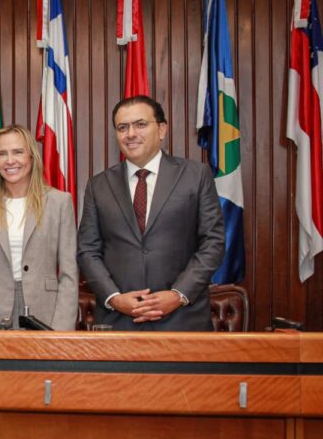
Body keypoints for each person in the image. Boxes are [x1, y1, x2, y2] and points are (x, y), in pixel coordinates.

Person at [77, 95, 225, 331]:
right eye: (122, 127)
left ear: (162, 129)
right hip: (119, 322)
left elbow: (213, 242)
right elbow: (87, 250)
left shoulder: (195, 176)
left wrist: (178, 294)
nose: (131, 134)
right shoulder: (98, 185)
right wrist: (114, 298)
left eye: (140, 124)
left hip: (183, 320)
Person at [0, 124, 78, 330]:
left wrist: (61, 330)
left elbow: (69, 273)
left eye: (18, 152)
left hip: (46, 311)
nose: (10, 161)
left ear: (31, 157)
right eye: (2, 154)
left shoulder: (59, 203)